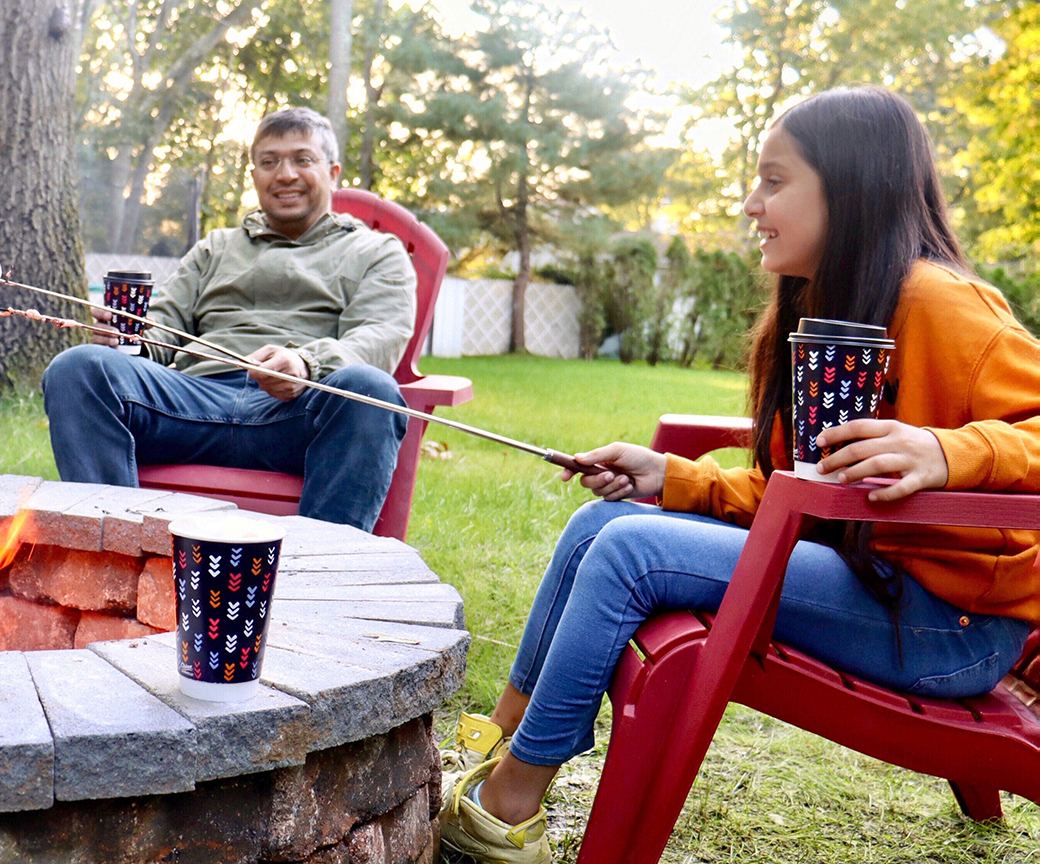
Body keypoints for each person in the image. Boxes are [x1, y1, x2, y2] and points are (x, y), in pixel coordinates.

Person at [437, 86, 1040, 863]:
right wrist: (670, 477)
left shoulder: (945, 304)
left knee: (628, 552)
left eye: (774, 181)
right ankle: (499, 743)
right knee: (597, 526)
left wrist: (949, 452)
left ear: (851, 188)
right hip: (872, 582)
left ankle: (503, 811)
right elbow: (795, 491)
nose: (752, 204)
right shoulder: (824, 311)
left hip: (951, 628)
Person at [42, 108, 415, 531]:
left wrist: (307, 365)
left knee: (370, 391)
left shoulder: (376, 252)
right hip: (190, 403)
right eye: (269, 162)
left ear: (333, 174)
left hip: (297, 415)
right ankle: (115, 552)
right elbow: (164, 324)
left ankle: (319, 565)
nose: (285, 174)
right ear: (254, 175)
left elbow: (379, 336)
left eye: (302, 159)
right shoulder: (216, 248)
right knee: (79, 367)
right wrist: (127, 337)